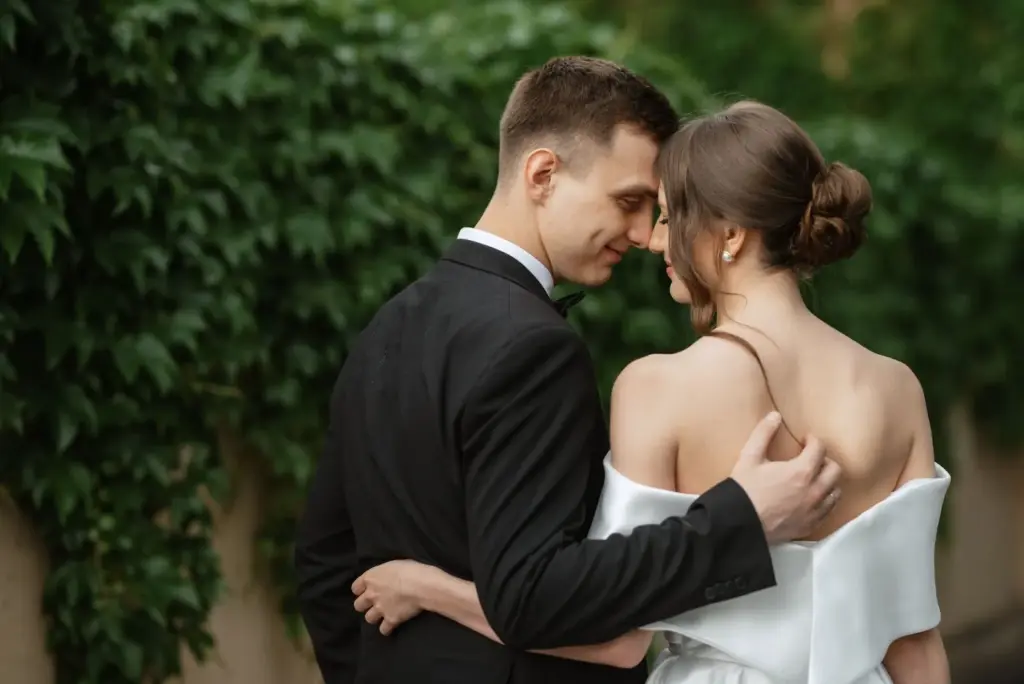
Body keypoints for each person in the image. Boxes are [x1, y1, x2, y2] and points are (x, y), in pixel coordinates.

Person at [350, 101, 952, 684]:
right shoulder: (896, 388)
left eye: (667, 216)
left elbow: (615, 640)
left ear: (731, 235)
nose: (654, 240)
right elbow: (915, 641)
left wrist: (430, 588)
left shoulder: (658, 387)